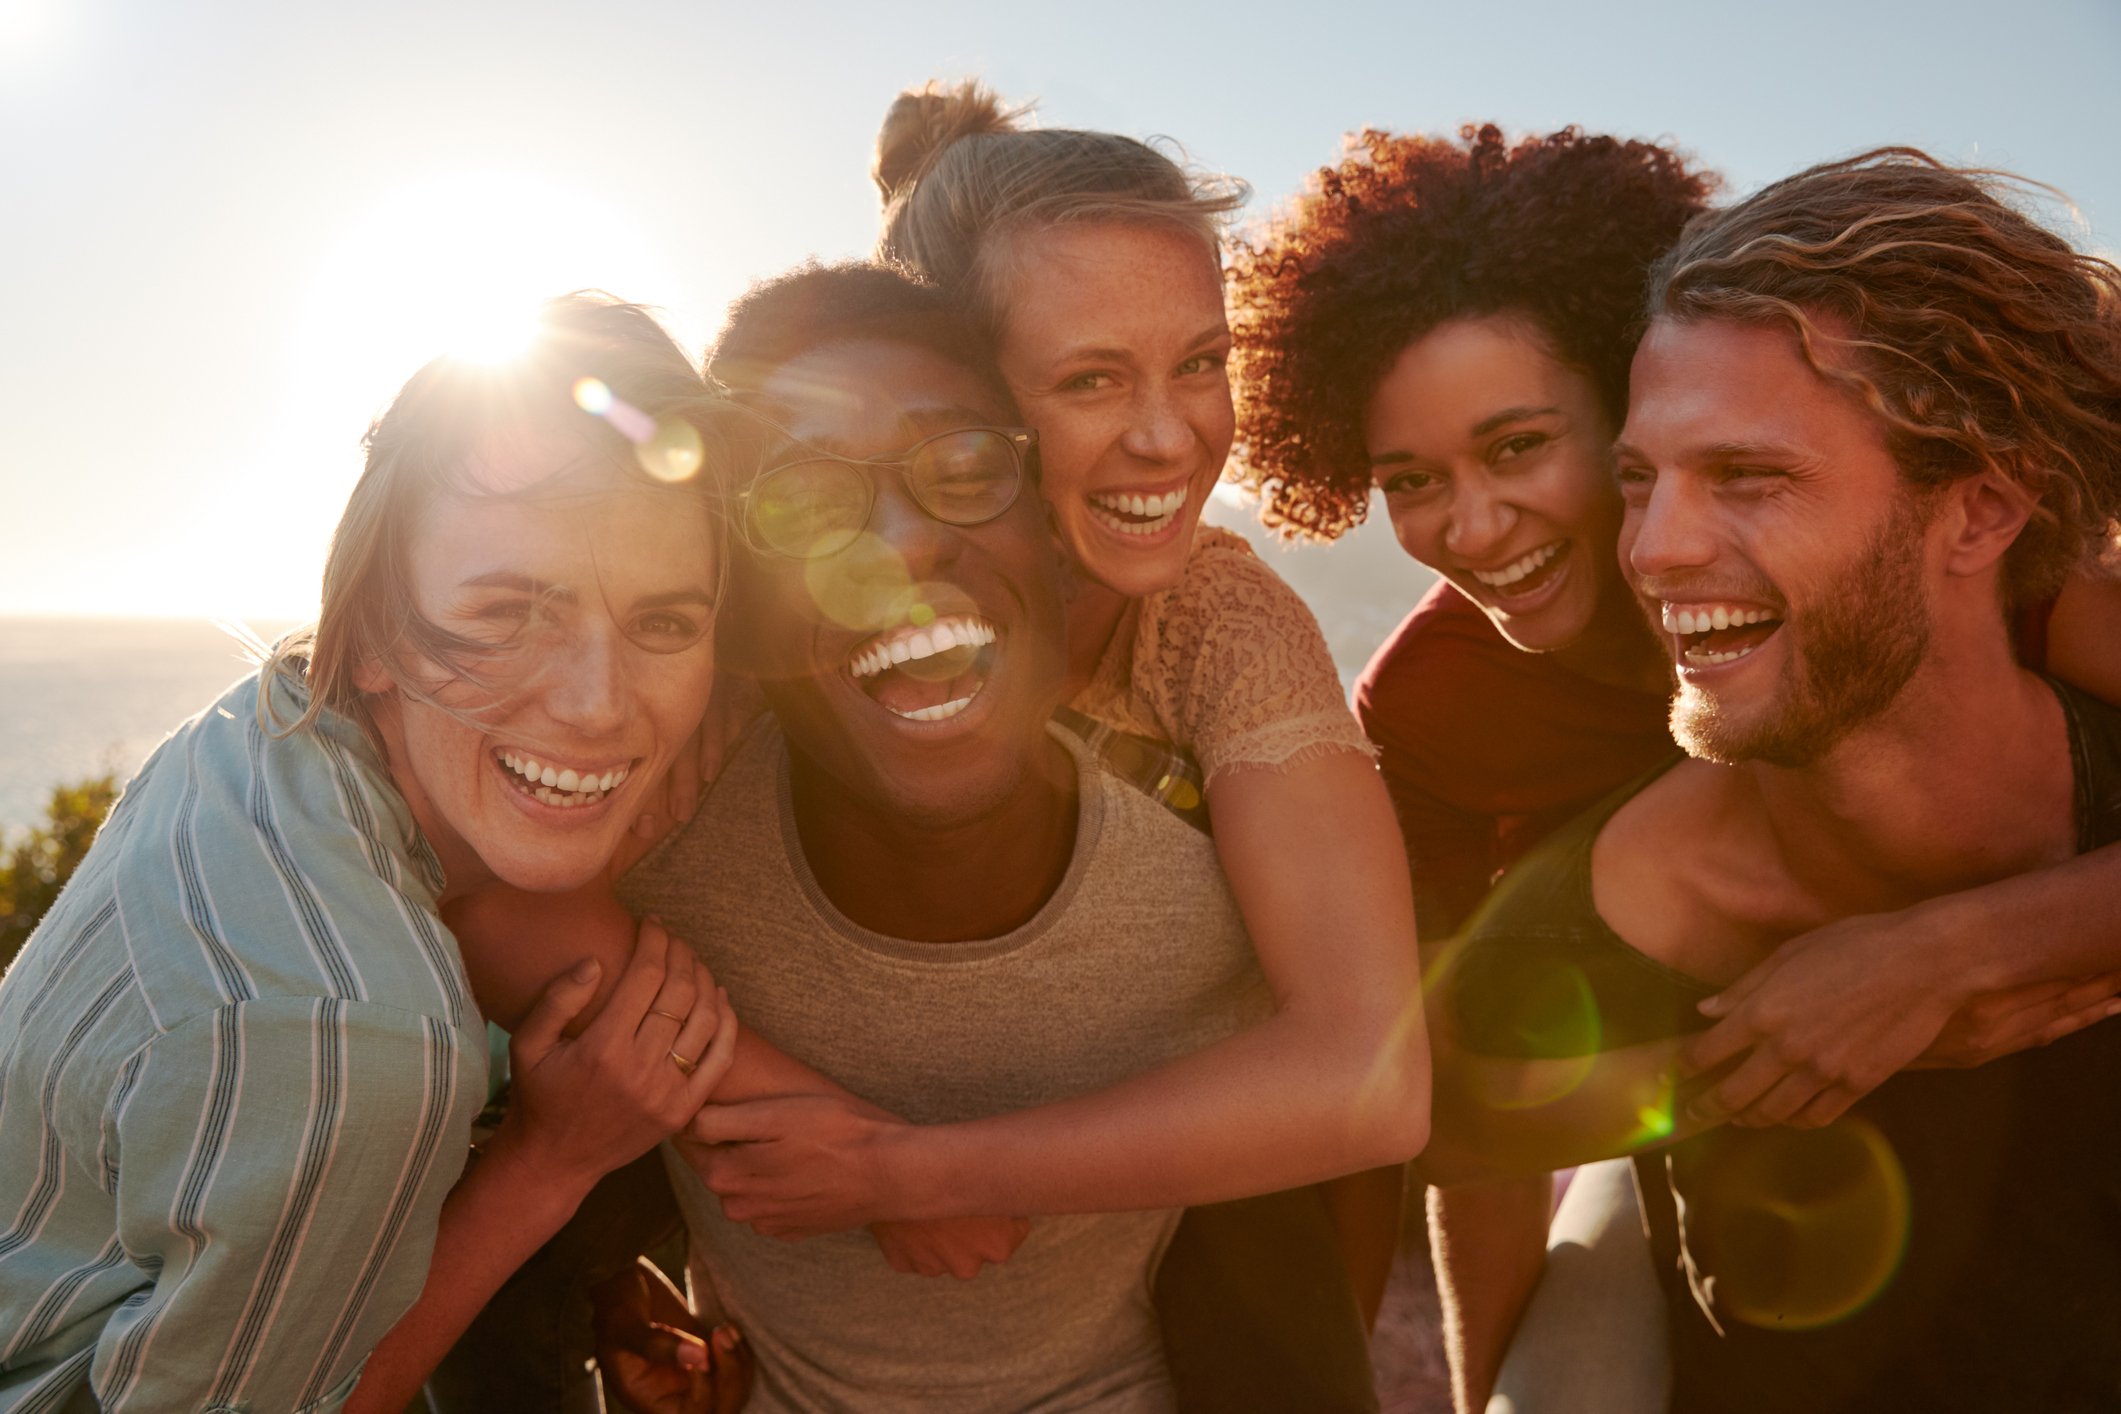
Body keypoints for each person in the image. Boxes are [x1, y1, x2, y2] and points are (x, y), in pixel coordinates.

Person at [1226, 125, 2121, 1412]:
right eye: (1412, 479)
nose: (1471, 527)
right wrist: (1478, 1383)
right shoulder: (1435, 708)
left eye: (1522, 446)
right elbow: (1424, 1101)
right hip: (1643, 1050)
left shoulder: (2023, 584)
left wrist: (1950, 954)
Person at [607, 259, 1388, 1411]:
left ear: (1056, 532)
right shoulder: (662, 844)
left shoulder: (1213, 910)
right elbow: (493, 909)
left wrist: (898, 1171)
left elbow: (1369, 1087)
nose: (903, 549)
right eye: (805, 500)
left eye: (967, 465)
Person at [0, 295, 738, 1411]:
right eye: (508, 610)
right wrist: (549, 1163)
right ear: (379, 624)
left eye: (666, 623)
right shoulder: (353, 1033)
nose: (599, 706)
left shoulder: (266, 729)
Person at [868, 80, 1425, 1396]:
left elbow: (1370, 1068)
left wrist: (928, 1167)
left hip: (1182, 1267)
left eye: (1201, 361)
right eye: (1091, 379)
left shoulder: (1218, 618)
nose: (1173, 435)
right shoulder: (822, 603)